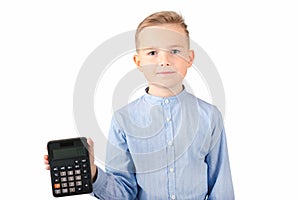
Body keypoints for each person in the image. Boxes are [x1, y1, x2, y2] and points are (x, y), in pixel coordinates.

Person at [44, 10, 235, 199]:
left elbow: (221, 186)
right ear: (138, 61)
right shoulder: (123, 120)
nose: (164, 61)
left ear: (190, 58)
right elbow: (122, 193)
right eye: (152, 52)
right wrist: (92, 172)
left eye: (175, 51)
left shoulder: (209, 116)